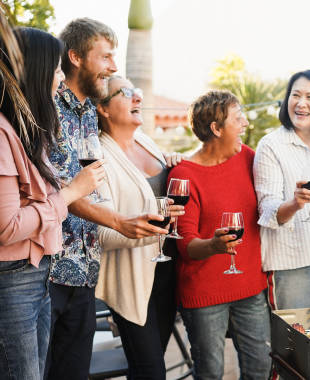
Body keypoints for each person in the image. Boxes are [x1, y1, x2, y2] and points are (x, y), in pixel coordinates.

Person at [46, 18, 165, 380]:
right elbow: (59, 189)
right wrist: (120, 223)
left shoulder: (86, 114)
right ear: (76, 57)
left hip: (84, 273)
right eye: (106, 57)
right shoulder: (49, 108)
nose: (114, 66)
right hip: (49, 272)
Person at [0, 22, 105, 380]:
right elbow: (8, 227)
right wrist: (72, 193)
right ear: (39, 70)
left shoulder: (24, 128)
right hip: (16, 278)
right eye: (56, 69)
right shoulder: (3, 134)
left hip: (39, 272)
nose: (60, 79)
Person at [169, 90, 270, 379]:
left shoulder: (248, 158)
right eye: (238, 119)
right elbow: (185, 245)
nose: (245, 126)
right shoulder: (184, 175)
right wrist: (213, 245)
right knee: (210, 372)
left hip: (250, 287)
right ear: (216, 128)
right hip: (204, 293)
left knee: (260, 367)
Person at [95, 76, 185, 379]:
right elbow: (100, 231)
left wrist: (175, 164)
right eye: (126, 93)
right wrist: (151, 226)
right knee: (150, 372)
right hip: (133, 281)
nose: (138, 98)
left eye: (137, 92)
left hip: (167, 274)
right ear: (103, 108)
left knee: (149, 366)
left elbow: (159, 197)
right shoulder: (99, 157)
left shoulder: (147, 142)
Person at [254, 70, 310, 329]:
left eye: (309, 97)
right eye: (295, 95)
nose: (300, 103)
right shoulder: (271, 145)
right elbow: (267, 208)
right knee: (293, 350)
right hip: (290, 264)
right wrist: (295, 203)